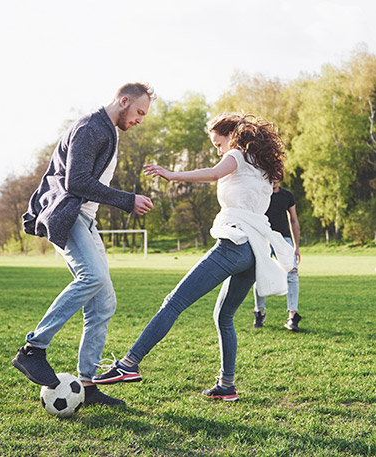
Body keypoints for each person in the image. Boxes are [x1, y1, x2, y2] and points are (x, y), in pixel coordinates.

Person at [92, 113, 294, 402]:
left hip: (234, 245)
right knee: (224, 316)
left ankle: (128, 364)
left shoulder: (236, 155)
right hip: (255, 251)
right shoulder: (262, 167)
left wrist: (171, 174)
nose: (218, 150)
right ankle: (226, 385)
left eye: (217, 143)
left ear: (232, 136)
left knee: (173, 302)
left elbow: (213, 173)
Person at [12, 82, 156, 407]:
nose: (139, 120)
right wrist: (127, 200)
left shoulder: (109, 131)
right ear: (124, 101)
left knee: (104, 303)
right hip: (70, 215)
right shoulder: (90, 128)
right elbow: (75, 182)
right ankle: (33, 349)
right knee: (90, 277)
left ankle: (88, 385)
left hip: (86, 220)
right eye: (139, 112)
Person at [253, 182, 302, 331]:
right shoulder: (259, 194)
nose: (273, 180)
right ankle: (259, 312)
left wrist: (296, 247)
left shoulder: (287, 196)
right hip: (263, 239)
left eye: (276, 177)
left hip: (284, 240)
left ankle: (292, 317)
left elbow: (293, 220)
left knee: (292, 274)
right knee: (259, 275)